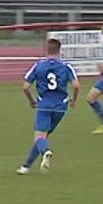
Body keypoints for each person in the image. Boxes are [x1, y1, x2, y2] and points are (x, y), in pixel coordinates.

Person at [17, 38, 80, 175]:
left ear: (47, 50)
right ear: (59, 51)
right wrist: (74, 100)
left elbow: (25, 87)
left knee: (39, 137)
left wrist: (32, 101)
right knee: (43, 136)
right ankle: (25, 166)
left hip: (44, 104)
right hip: (61, 106)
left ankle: (45, 152)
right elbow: (76, 86)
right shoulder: (66, 66)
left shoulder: (39, 65)